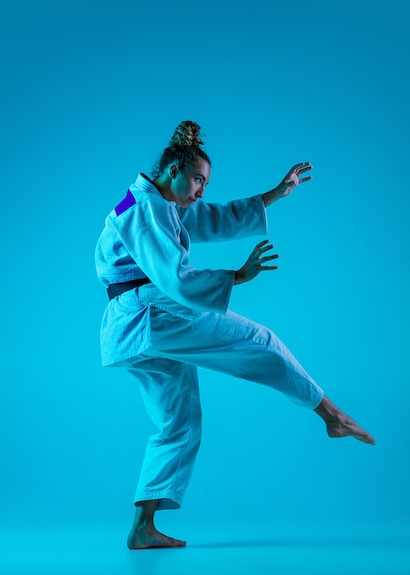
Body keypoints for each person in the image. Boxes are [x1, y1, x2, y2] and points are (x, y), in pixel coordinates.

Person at [95, 120, 375, 550]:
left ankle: (142, 527)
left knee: (179, 421)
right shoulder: (144, 210)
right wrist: (238, 276)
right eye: (198, 180)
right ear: (172, 169)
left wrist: (276, 194)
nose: (201, 191)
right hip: (151, 313)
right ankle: (333, 416)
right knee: (260, 342)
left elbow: (215, 217)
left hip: (133, 327)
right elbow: (176, 278)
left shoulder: (162, 203)